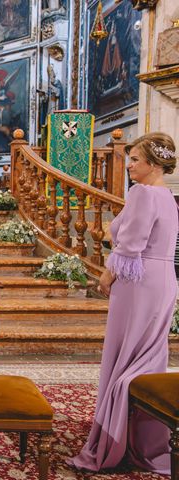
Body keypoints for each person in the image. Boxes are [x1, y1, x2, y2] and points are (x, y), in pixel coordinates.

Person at [69, 132, 178, 475]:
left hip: (138, 282)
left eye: (134, 160)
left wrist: (107, 275)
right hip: (162, 281)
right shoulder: (167, 196)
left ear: (152, 163)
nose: (128, 165)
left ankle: (112, 439)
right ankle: (144, 440)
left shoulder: (142, 193)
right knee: (148, 358)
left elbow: (131, 246)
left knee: (124, 356)